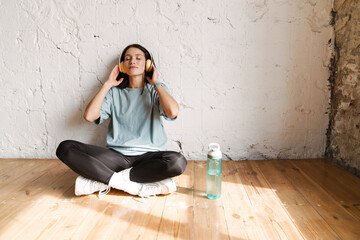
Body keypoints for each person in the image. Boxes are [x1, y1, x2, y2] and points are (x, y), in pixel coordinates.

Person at [56, 43, 187, 198]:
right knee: (65, 148)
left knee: (177, 162)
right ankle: (130, 185)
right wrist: (108, 84)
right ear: (123, 66)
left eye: (138, 58)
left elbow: (172, 111)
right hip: (116, 157)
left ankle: (105, 180)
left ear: (148, 64)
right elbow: (89, 116)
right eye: (128, 58)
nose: (132, 61)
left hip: (149, 158)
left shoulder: (156, 90)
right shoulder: (114, 93)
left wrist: (156, 83)